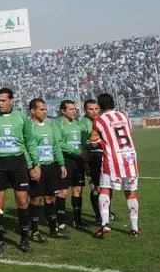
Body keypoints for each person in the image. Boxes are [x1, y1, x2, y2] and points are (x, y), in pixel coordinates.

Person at [0, 88, 37, 254]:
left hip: (18, 161)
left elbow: (30, 141)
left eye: (3, 100)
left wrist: (35, 163)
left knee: (22, 200)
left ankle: (24, 239)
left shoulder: (21, 118)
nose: (0, 103)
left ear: (11, 100)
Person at [92, 94, 141, 238]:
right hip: (130, 157)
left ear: (100, 106)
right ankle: (135, 229)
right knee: (131, 192)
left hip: (112, 160)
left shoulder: (98, 120)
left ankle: (105, 224)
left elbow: (94, 141)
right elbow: (130, 133)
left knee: (104, 190)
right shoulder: (124, 116)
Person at [26, 100, 68, 241]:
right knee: (36, 198)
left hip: (50, 166)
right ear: (33, 111)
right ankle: (35, 230)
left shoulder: (49, 126)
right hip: (37, 167)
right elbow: (26, 148)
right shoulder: (28, 127)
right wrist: (31, 166)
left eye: (45, 109)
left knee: (50, 197)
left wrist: (61, 163)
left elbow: (55, 146)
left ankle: (53, 229)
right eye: (41, 109)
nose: (44, 112)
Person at [54, 100, 88, 230]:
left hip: (78, 160)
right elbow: (58, 143)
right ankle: (61, 223)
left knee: (78, 189)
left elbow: (83, 141)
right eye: (71, 109)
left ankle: (77, 220)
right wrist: (76, 151)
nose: (74, 111)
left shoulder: (77, 124)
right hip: (65, 160)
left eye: (75, 108)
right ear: (63, 111)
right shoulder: (57, 124)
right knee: (63, 191)